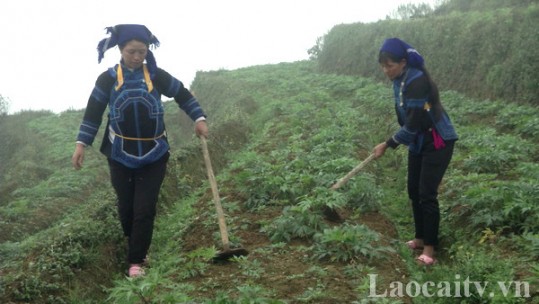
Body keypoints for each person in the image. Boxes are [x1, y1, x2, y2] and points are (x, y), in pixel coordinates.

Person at [71, 24, 208, 277]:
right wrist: (81, 145)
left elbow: (183, 95)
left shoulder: (156, 76)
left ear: (147, 51)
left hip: (154, 153)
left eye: (142, 52)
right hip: (119, 153)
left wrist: (198, 119)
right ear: (120, 49)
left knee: (144, 208)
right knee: (126, 208)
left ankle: (136, 261)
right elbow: (93, 113)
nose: (137, 57)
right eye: (132, 51)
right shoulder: (107, 79)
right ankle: (135, 243)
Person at [373, 38, 458, 266]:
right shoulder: (400, 79)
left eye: (389, 65)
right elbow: (410, 124)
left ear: (403, 62)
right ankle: (420, 239)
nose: (385, 70)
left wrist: (387, 143)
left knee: (426, 194)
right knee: (413, 189)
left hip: (437, 140)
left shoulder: (417, 80)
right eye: (383, 66)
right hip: (419, 141)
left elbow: (412, 124)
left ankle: (430, 251)